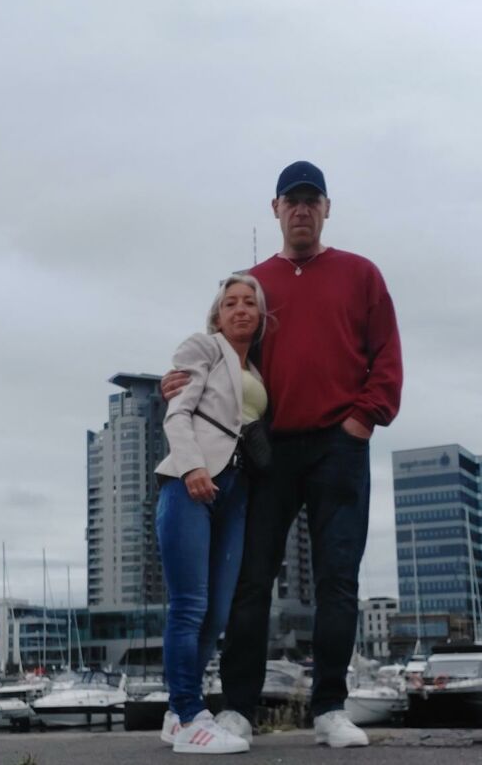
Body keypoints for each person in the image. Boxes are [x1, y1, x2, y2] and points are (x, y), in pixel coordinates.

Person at [162, 160, 403, 749]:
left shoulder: (360, 273)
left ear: (326, 209)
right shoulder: (257, 283)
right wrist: (179, 380)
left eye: (311, 200)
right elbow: (227, 354)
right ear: (275, 210)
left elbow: (387, 355)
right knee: (252, 580)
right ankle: (239, 708)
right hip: (267, 450)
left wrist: (363, 419)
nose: (301, 209)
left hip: (340, 445)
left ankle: (330, 709)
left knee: (337, 579)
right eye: (290, 201)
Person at [154, 274, 268, 754]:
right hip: (192, 483)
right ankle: (189, 714)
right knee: (190, 605)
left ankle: (175, 715)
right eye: (230, 303)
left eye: (250, 303)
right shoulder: (203, 347)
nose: (240, 309)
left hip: (237, 492)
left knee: (217, 612)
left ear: (261, 315)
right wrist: (192, 467)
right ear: (217, 316)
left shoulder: (257, 368)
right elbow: (178, 412)